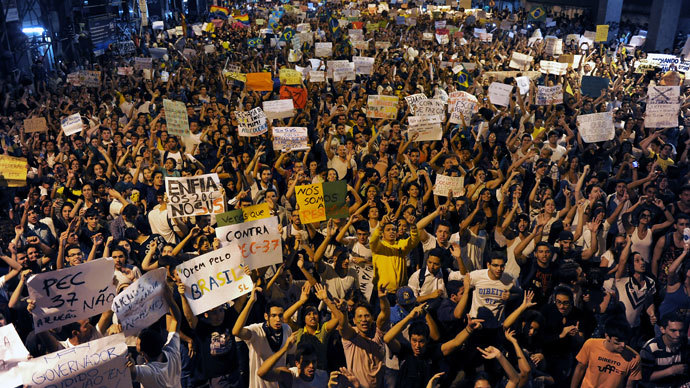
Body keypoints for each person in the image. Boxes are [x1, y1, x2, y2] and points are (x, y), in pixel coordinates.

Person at [233, 287, 293, 388]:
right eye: (273, 315)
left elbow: (291, 356)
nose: (278, 319)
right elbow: (236, 331)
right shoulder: (257, 330)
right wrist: (251, 302)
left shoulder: (286, 329)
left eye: (280, 315)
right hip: (259, 385)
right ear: (266, 316)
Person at [129, 282, 182, 388]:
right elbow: (176, 320)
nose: (135, 343)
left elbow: (130, 372)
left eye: (137, 344)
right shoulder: (172, 352)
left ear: (143, 354)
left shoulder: (148, 372)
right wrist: (170, 300)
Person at [570, 319, 642, 388]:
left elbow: (629, 385)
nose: (623, 344)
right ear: (607, 336)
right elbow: (580, 369)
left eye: (625, 340)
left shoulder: (634, 358)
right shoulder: (591, 344)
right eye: (617, 341)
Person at [640, 312, 690, 388]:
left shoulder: (686, 344)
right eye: (673, 330)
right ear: (662, 329)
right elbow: (644, 377)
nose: (678, 334)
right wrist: (671, 371)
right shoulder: (651, 348)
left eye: (681, 330)